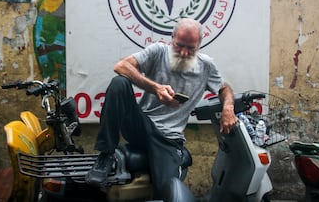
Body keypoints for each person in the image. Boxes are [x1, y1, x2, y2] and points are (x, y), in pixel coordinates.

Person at [85, 18, 237, 198]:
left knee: (168, 191)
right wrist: (155, 88)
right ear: (171, 38)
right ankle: (105, 155)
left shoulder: (206, 66)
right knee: (119, 83)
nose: (183, 52)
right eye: (179, 45)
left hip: (169, 138)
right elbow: (121, 66)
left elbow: (224, 88)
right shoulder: (158, 51)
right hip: (142, 125)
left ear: (199, 45)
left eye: (191, 48)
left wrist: (228, 107)